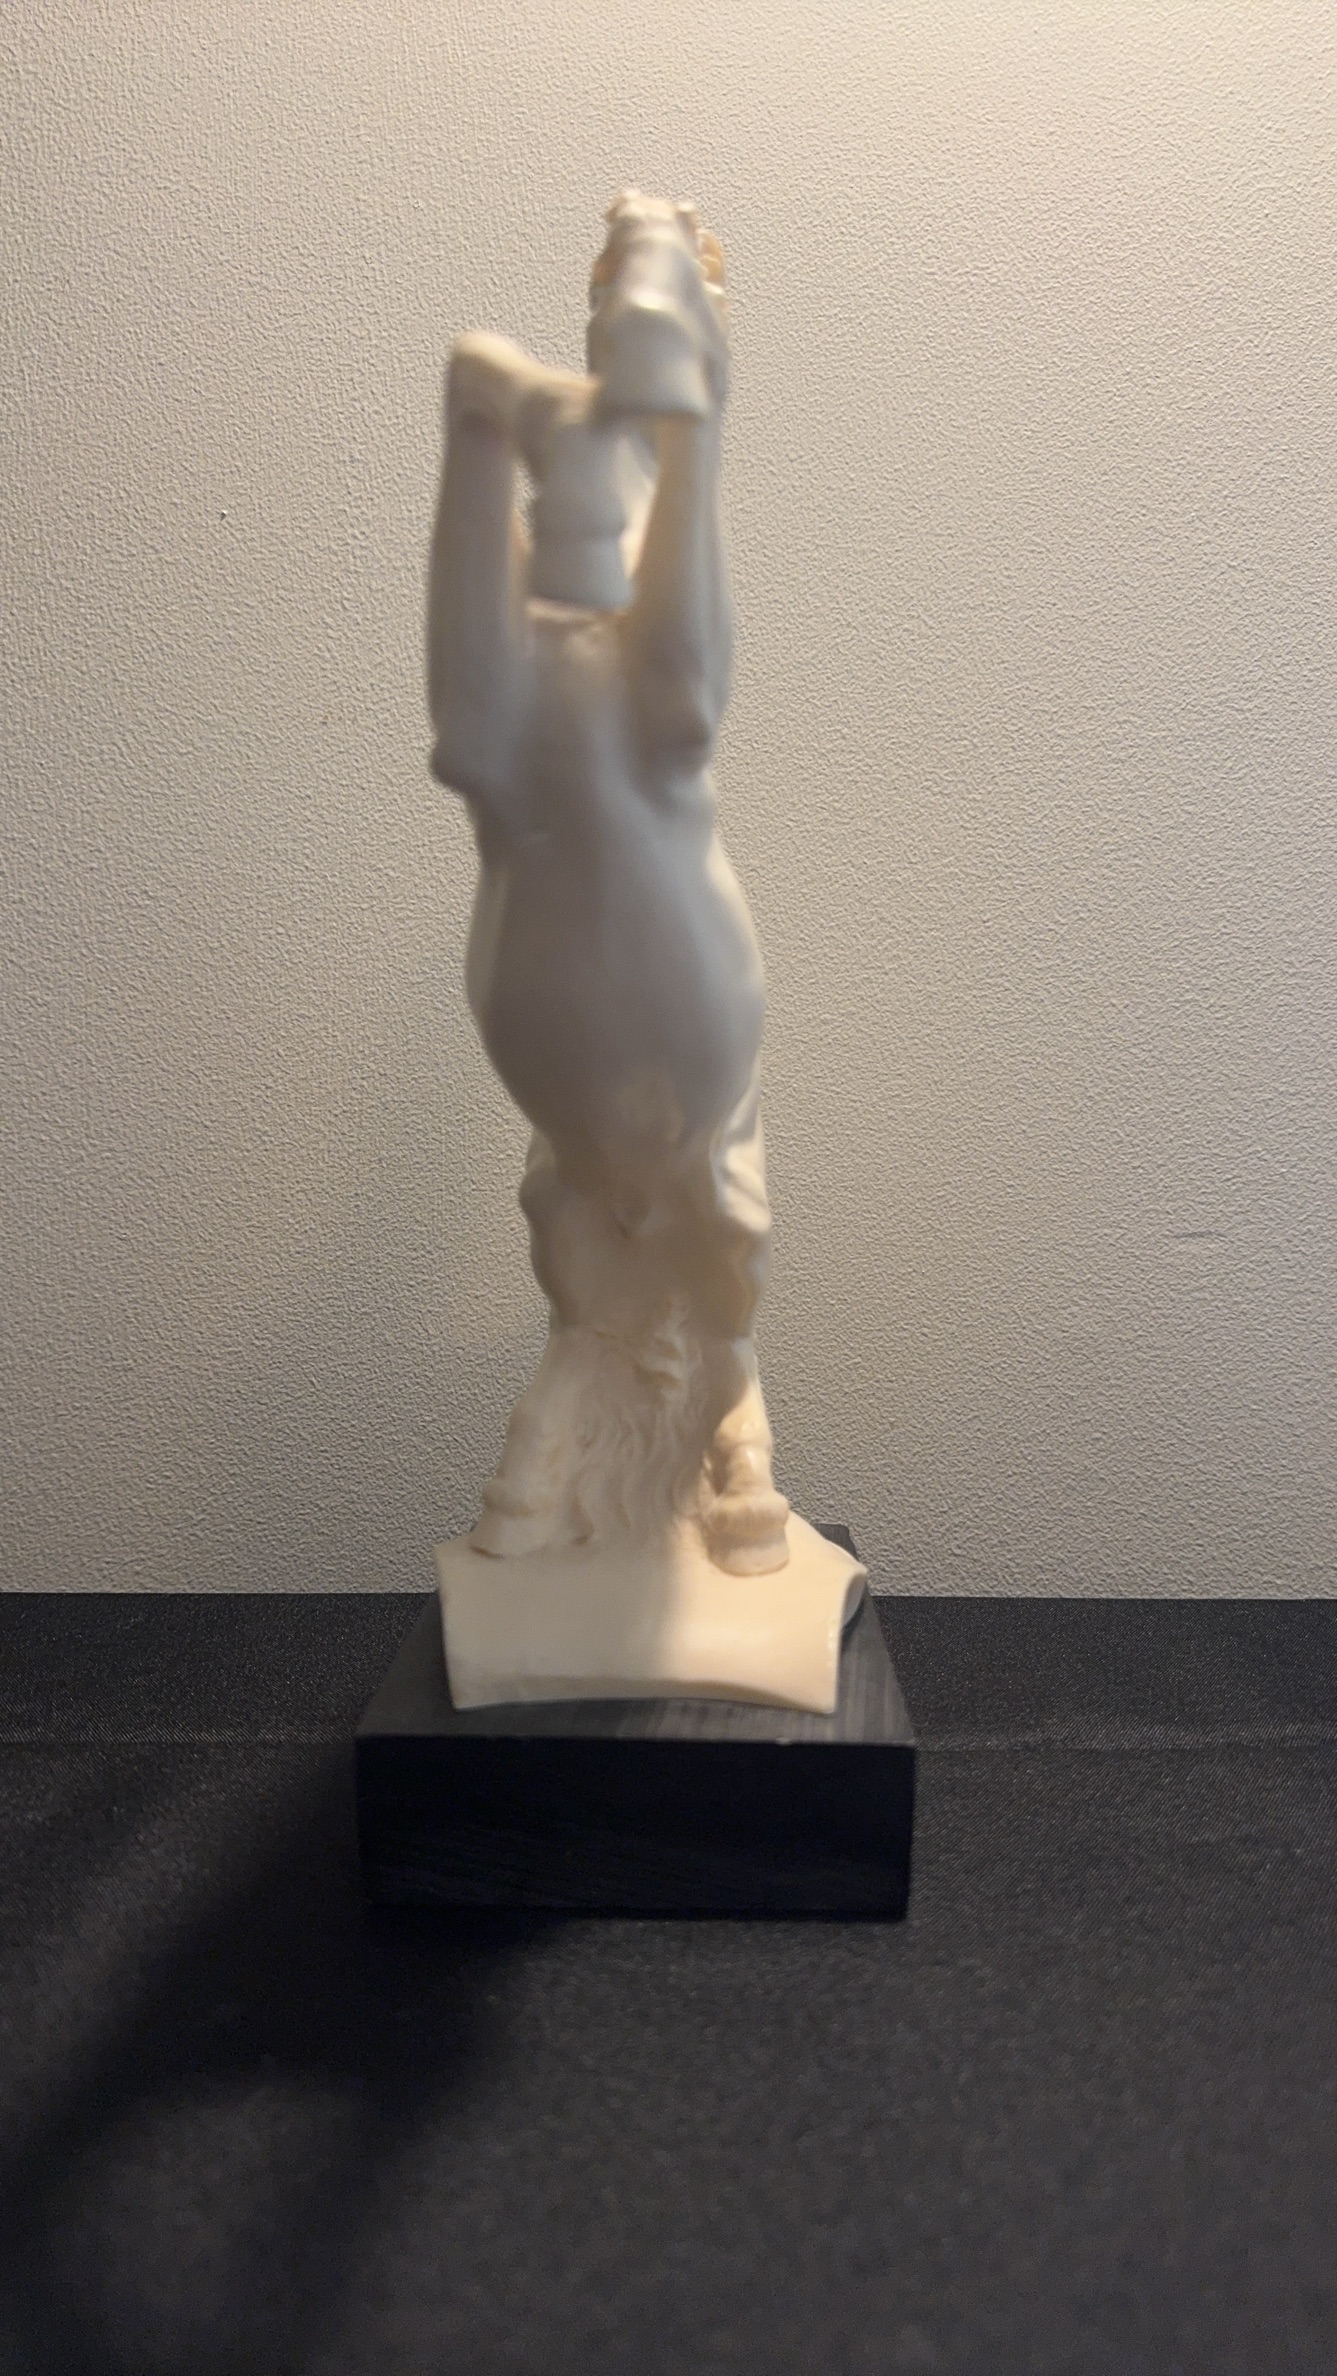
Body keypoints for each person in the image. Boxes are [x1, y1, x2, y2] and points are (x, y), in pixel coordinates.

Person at [426, 192, 790, 1576]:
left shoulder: (654, 577)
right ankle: (611, 1363)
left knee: (654, 736)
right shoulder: (533, 567)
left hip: (658, 975)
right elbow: (469, 740)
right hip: (556, 976)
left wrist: (673, 424)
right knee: (496, 753)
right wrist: (490, 426)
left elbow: (677, 708)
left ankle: (729, 1393)